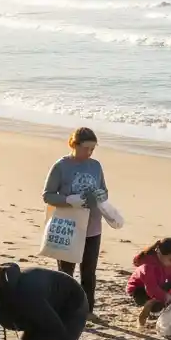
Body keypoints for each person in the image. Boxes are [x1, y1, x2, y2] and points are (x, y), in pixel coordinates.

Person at [42, 127, 107, 317]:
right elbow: (48, 195)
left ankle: (87, 311)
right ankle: (63, 309)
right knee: (66, 273)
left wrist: (102, 196)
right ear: (74, 144)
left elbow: (104, 189)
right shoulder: (61, 166)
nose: (90, 153)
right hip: (69, 225)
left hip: (92, 226)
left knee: (89, 272)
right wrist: (70, 200)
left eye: (93, 149)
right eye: (86, 148)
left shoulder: (95, 166)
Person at [127, 237, 171, 330]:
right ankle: (145, 312)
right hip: (139, 291)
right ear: (159, 254)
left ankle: (164, 314)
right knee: (158, 302)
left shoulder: (168, 263)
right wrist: (166, 297)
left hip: (156, 285)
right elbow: (151, 288)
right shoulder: (148, 266)